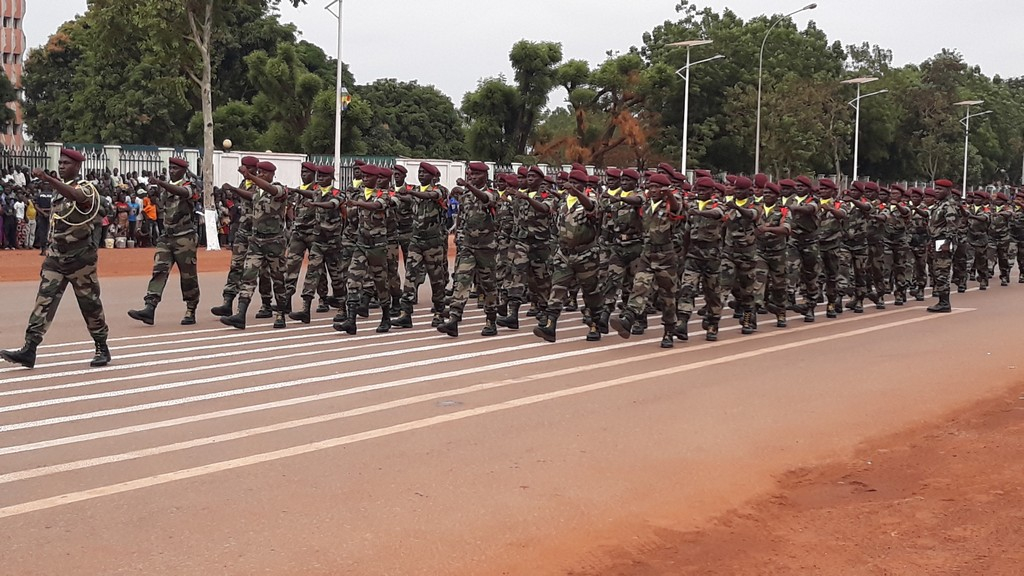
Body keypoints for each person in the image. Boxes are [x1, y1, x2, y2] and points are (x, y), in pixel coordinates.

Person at [1, 149, 111, 369]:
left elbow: (78, 198)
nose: (61, 166)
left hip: (80, 260)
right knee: (44, 301)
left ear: (77, 166)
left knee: (89, 304)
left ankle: (101, 347)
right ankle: (29, 348)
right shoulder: (58, 193)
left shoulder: (86, 189)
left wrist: (48, 178)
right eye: (59, 162)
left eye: (66, 163)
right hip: (56, 258)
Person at [610, 173, 682, 348]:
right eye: (650, 187)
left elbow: (676, 208)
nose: (653, 190)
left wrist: (669, 195)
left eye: (657, 187)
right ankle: (629, 318)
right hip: (648, 253)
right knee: (639, 286)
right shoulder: (646, 203)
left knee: (667, 297)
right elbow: (636, 202)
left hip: (666, 255)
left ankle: (669, 331)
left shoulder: (672, 201)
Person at [127, 158, 202, 326]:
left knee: (188, 275)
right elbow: (163, 208)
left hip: (185, 237)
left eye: (175, 168)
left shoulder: (190, 184)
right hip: (166, 237)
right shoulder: (166, 186)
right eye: (170, 168)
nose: (172, 170)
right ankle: (150, 307)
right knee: (159, 270)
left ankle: (191, 308)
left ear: (183, 170)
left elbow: (184, 193)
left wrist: (161, 183)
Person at [534, 170, 604, 343]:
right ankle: (550, 326)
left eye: (576, 183)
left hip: (585, 255)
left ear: (583, 185)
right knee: (557, 288)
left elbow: (592, 209)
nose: (571, 185)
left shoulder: (591, 199)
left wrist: (577, 192)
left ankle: (595, 325)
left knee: (591, 293)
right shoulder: (563, 201)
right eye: (570, 182)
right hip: (564, 254)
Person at [220, 161, 290, 329]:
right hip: (256, 241)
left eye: (265, 173)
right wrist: (234, 189)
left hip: (275, 242)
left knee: (278, 279)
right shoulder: (257, 192)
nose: (261, 175)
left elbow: (271, 190)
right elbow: (250, 196)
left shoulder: (279, 189)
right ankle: (240, 315)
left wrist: (250, 176)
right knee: (248, 276)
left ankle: (280, 314)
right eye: (259, 172)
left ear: (273, 174)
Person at [437, 162, 499, 337]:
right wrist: (459, 234)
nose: (472, 177)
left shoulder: (491, 193)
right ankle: (454, 320)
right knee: (461, 281)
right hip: (469, 246)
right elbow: (462, 217)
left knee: (488, 286)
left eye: (476, 175)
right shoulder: (465, 196)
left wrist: (469, 186)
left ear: (485, 176)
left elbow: (486, 200)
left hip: (486, 248)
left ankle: (491, 320)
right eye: (471, 174)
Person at [335, 164, 393, 335]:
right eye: (364, 177)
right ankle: (351, 320)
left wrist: (357, 203)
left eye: (369, 177)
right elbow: (351, 216)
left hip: (377, 245)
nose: (365, 179)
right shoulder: (357, 194)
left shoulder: (383, 195)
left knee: (380, 283)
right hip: (361, 243)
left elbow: (377, 206)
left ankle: (386, 317)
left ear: (376, 179)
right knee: (352, 279)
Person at [393, 162, 449, 329]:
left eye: (425, 173)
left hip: (433, 242)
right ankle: (405, 313)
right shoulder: (415, 190)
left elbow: (431, 196)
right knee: (410, 276)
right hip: (416, 240)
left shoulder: (440, 190)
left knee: (436, 279)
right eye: (419, 172)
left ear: (432, 176)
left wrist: (410, 192)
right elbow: (404, 200)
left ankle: (439, 312)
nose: (421, 175)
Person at [926, 179, 961, 312]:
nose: (936, 191)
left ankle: (944, 303)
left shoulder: (949, 205)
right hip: (937, 240)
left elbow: (952, 225)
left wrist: (947, 242)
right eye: (936, 188)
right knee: (937, 271)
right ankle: (942, 301)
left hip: (943, 241)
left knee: (942, 272)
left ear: (948, 191)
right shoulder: (940, 204)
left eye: (940, 189)